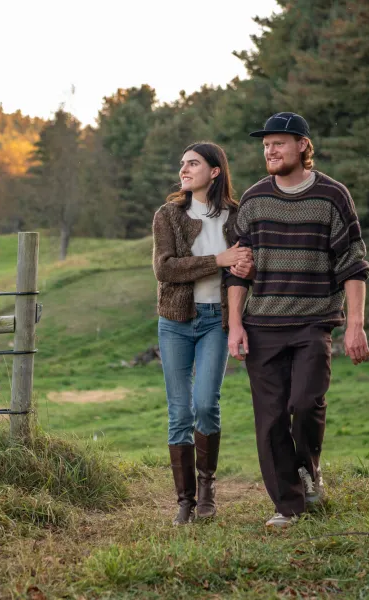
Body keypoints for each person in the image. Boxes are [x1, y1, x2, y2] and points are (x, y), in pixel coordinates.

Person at [225, 112, 369, 528]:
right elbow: (236, 269)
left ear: (303, 145)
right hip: (262, 325)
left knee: (306, 404)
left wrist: (356, 324)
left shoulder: (333, 196)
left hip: (313, 322)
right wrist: (235, 324)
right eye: (266, 145)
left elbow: (353, 264)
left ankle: (308, 471)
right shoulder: (254, 199)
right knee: (270, 419)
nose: (270, 151)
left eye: (279, 143)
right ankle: (288, 506)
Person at [152, 141, 250, 525]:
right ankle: (185, 501)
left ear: (214, 171)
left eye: (193, 163)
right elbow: (165, 268)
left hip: (216, 321)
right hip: (175, 322)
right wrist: (218, 260)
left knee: (206, 404)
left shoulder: (237, 217)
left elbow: (246, 265)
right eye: (182, 163)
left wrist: (242, 265)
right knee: (180, 411)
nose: (184, 169)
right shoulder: (168, 215)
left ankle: (207, 486)